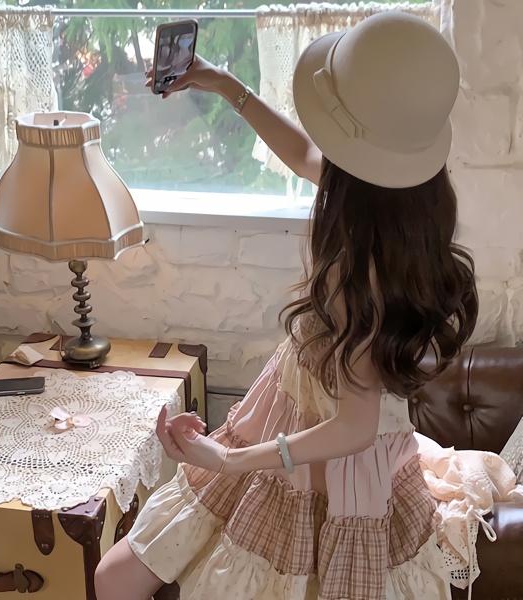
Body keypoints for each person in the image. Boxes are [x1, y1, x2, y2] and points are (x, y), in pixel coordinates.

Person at [96, 12, 493, 600]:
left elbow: (354, 427)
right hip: (289, 420)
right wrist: (223, 83)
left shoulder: (362, 279)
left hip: (328, 464)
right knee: (118, 576)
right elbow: (307, 154)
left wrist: (231, 462)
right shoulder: (399, 202)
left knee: (120, 579)